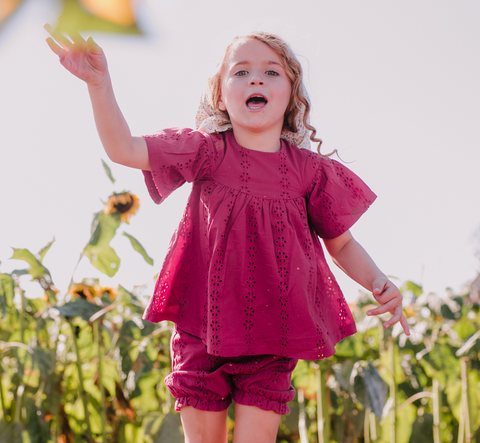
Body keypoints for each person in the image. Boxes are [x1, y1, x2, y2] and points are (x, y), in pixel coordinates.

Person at [45, 24, 410, 443]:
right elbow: (123, 149)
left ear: (291, 94)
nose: (256, 78)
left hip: (273, 336)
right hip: (203, 331)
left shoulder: (310, 172)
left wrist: (378, 280)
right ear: (220, 95)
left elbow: (341, 242)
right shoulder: (206, 151)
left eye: (272, 72)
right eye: (241, 71)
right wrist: (99, 84)